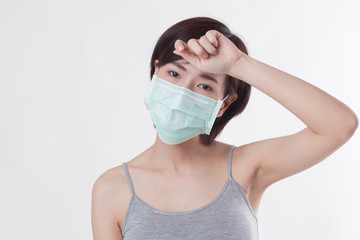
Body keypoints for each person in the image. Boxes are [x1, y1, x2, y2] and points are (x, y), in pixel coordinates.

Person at [91, 17, 358, 240]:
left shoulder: (246, 167)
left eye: (204, 85)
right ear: (155, 71)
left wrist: (239, 65)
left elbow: (338, 125)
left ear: (223, 105)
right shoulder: (112, 189)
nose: (183, 92)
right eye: (174, 74)